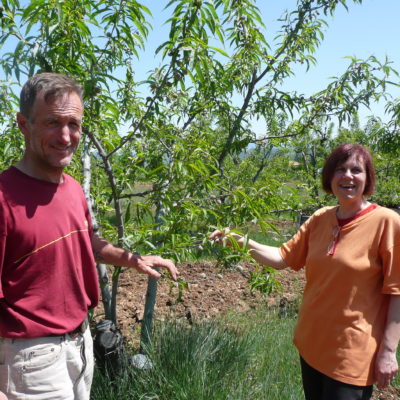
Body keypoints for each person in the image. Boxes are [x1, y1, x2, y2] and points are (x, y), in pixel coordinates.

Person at [0, 73, 178, 400]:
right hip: (31, 358)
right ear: (24, 124)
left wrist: (132, 259)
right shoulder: (3, 197)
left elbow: (85, 243)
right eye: (53, 122)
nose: (66, 136)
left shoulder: (72, 189)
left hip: (81, 344)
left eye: (74, 124)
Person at [210, 143, 400, 400]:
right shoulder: (320, 218)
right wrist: (240, 241)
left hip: (350, 353)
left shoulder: (387, 223)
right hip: (311, 344)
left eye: (357, 170)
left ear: (367, 178)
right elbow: (281, 257)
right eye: (340, 169)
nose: (348, 176)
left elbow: (396, 291)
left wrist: (388, 351)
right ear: (329, 176)